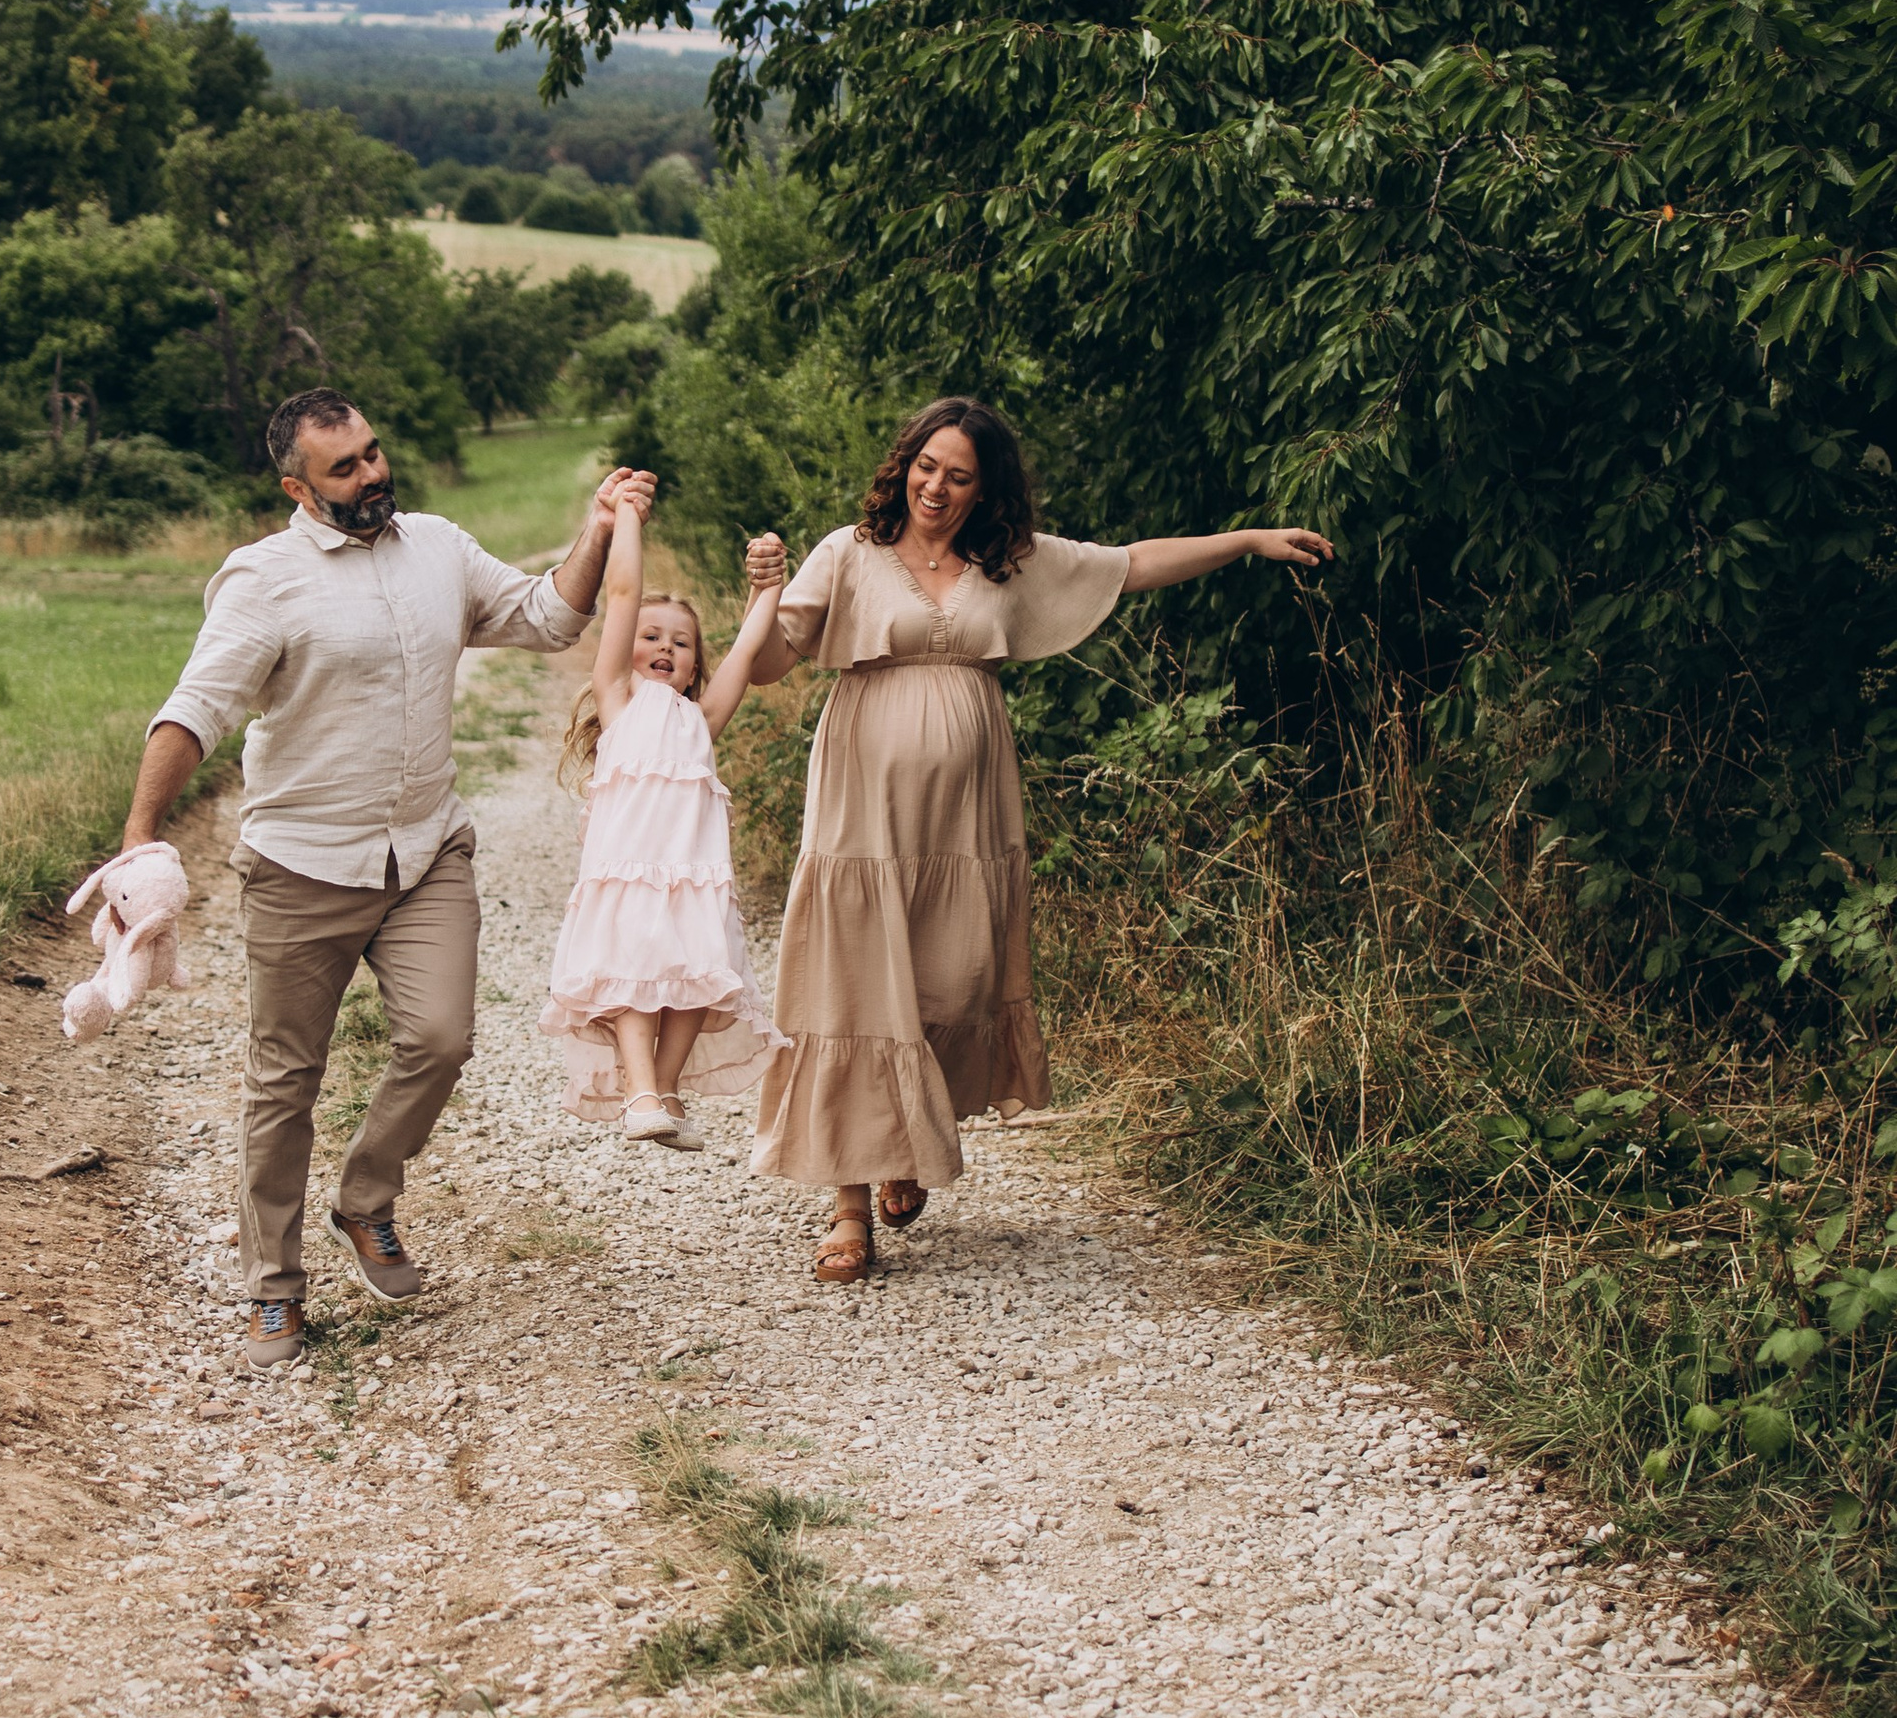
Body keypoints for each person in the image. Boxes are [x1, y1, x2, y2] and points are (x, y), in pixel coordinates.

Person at [739, 396, 1332, 1284]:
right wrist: (762, 596)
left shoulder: (1005, 561)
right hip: (864, 806)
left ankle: (905, 1143)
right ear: (904, 465)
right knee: (858, 979)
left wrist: (1247, 540)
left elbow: (1130, 565)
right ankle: (849, 1208)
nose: (936, 487)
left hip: (968, 810)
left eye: (959, 475)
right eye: (926, 466)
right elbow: (770, 664)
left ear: (985, 488)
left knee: (952, 974)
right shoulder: (848, 553)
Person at [108, 389, 640, 1368]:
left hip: (426, 852)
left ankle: (364, 1198)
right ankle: (273, 1287)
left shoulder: (438, 546)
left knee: (441, 1040)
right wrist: (140, 838)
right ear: (297, 488)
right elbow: (196, 709)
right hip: (302, 865)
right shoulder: (264, 580)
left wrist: (598, 529)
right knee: (285, 1080)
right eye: (345, 467)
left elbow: (547, 617)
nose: (371, 474)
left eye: (373, 452)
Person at [540, 479, 783, 1144]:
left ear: (694, 664)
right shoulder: (619, 697)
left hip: (692, 876)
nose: (666, 648)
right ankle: (640, 1090)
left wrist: (768, 587)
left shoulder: (701, 719)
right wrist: (627, 518)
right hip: (627, 872)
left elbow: (744, 652)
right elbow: (622, 594)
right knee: (632, 973)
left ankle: (665, 1092)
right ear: (628, 648)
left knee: (698, 977)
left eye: (681, 643)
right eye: (652, 636)